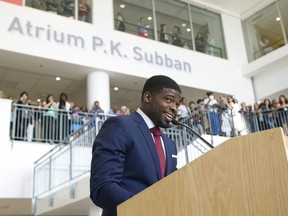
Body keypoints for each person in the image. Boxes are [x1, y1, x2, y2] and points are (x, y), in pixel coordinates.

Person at [90, 75, 181, 216]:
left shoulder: (170, 145)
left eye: (177, 104)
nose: (174, 108)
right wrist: (146, 210)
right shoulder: (120, 126)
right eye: (168, 100)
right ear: (148, 97)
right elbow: (103, 187)